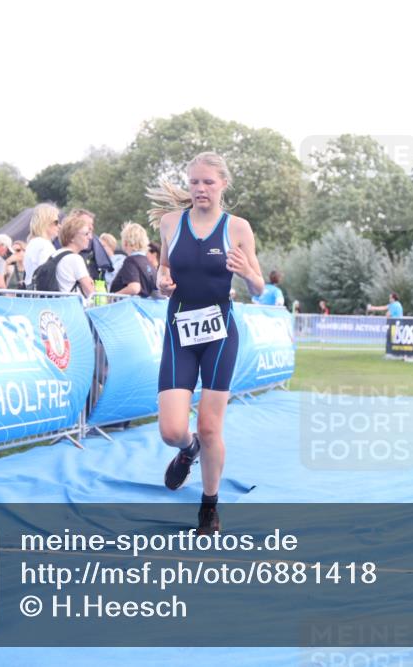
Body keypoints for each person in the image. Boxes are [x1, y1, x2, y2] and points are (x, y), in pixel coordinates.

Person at [147, 151, 265, 534]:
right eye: (194, 182)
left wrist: (248, 273)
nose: (200, 189)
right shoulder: (170, 223)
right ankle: (188, 448)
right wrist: (162, 281)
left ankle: (209, 507)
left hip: (220, 332)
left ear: (223, 185)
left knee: (212, 427)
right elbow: (164, 269)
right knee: (170, 429)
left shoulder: (238, 228)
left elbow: (259, 287)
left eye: (208, 182)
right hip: (180, 329)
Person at [48, 210, 96, 299]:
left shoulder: (55, 255)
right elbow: (90, 291)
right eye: (86, 234)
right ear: (72, 237)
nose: (90, 237)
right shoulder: (75, 259)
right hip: (71, 306)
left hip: (58, 305)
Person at [109, 222, 155, 298]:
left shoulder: (131, 261)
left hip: (129, 308)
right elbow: (157, 293)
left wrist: (112, 296)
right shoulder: (148, 263)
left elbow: (134, 288)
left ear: (126, 242)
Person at [24, 203, 61, 285]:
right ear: (45, 222)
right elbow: (46, 275)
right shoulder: (44, 245)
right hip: (42, 294)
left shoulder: (33, 242)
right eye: (56, 222)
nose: (59, 226)